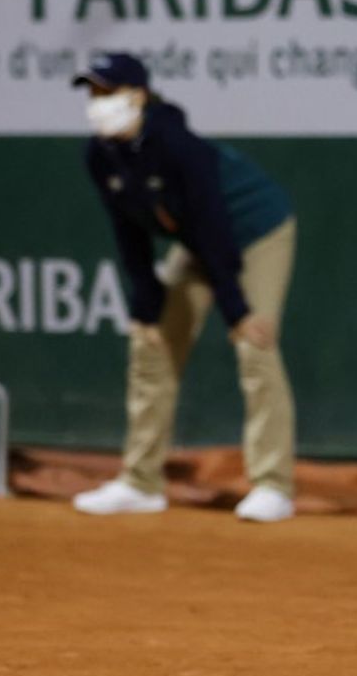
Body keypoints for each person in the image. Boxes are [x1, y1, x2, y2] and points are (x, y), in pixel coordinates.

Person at [69, 52, 298, 523]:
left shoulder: (178, 146)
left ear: (138, 96)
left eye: (107, 92)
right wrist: (145, 304)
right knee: (149, 343)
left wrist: (236, 311)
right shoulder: (100, 154)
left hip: (256, 230)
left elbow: (214, 225)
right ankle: (140, 483)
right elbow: (128, 232)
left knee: (255, 343)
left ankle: (273, 485)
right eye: (91, 93)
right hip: (197, 240)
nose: (97, 103)